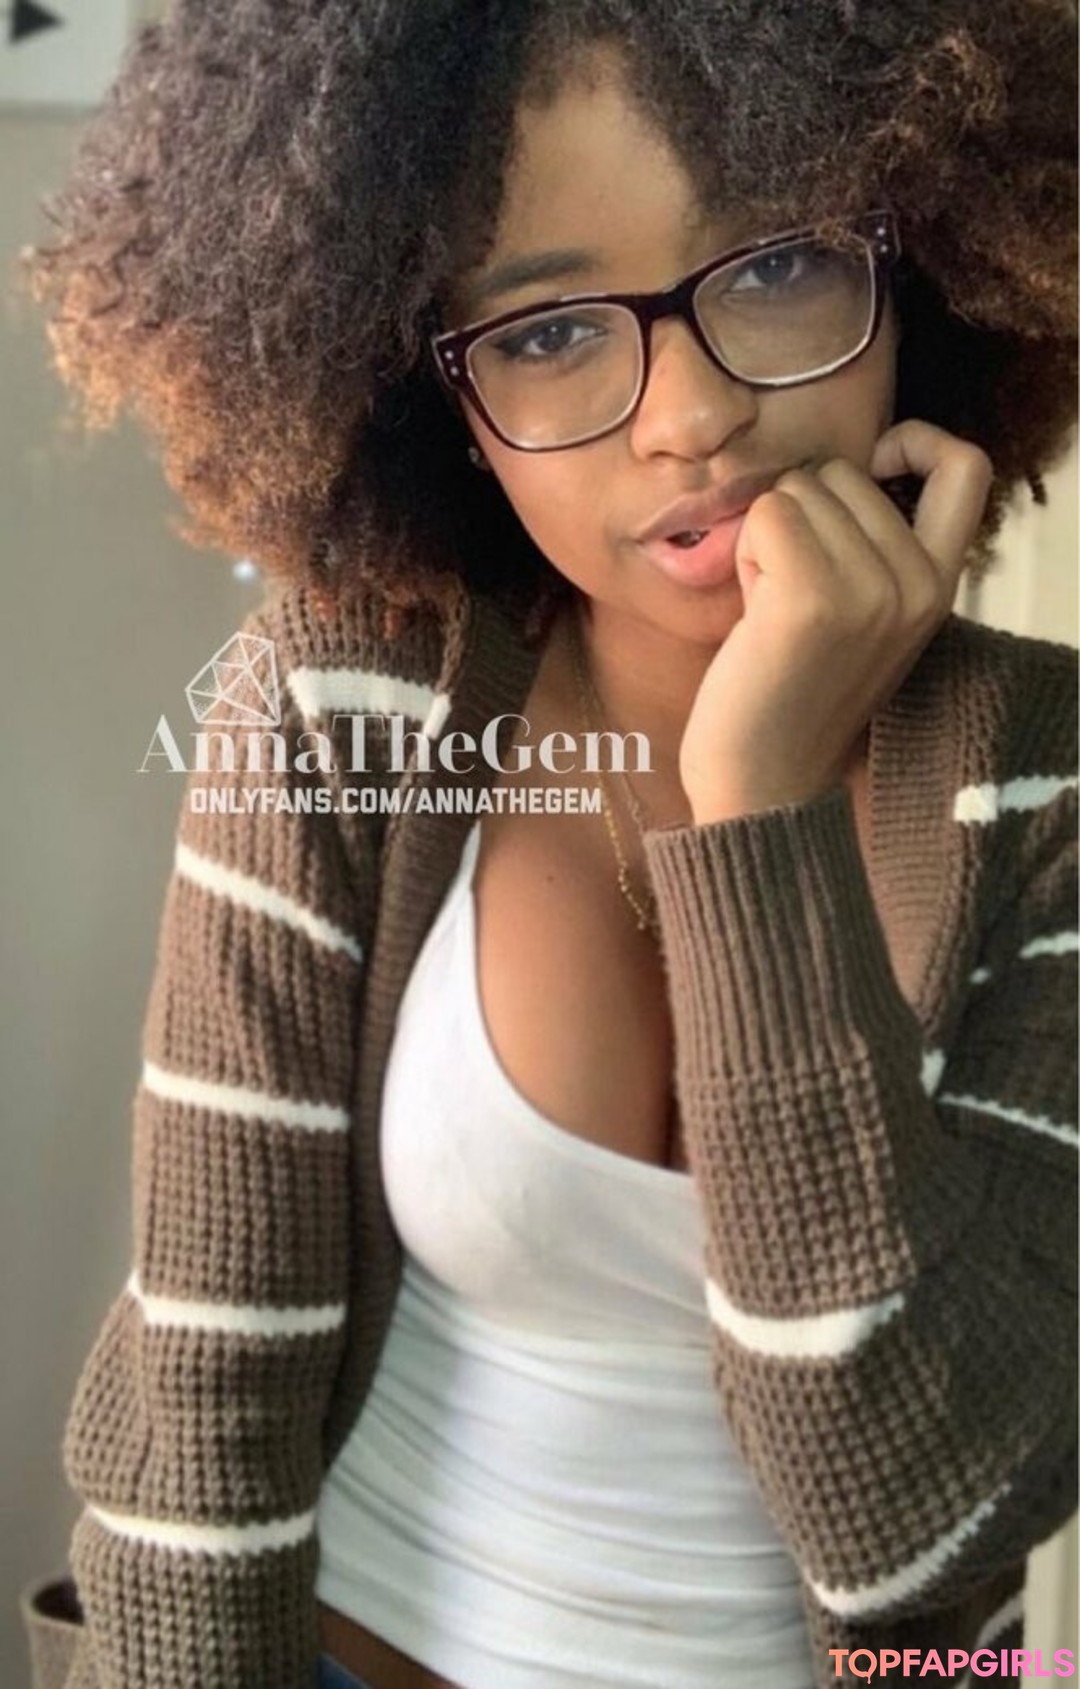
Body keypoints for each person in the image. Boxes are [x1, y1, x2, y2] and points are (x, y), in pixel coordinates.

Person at [19, 3, 1078, 1688]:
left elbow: (922, 1521)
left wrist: (761, 806)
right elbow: (202, 1410)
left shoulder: (1052, 784)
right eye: (552, 330)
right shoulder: (342, 702)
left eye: (778, 265)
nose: (691, 416)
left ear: (924, 266)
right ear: (434, 387)